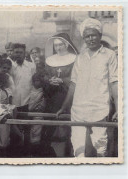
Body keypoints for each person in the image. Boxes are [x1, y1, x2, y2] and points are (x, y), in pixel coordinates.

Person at [56, 18, 118, 157]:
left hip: (99, 107)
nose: (90, 39)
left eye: (93, 35)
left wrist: (119, 108)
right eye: (87, 36)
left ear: (100, 36)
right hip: (78, 108)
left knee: (100, 145)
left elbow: (114, 82)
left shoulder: (110, 55)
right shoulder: (80, 57)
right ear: (84, 38)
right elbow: (73, 84)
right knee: (78, 145)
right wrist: (64, 106)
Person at [44, 33, 78, 157]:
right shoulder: (50, 60)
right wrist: (49, 80)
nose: (58, 48)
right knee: (51, 125)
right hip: (52, 97)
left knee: (67, 126)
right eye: (55, 45)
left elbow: (77, 78)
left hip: (68, 96)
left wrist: (62, 80)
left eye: (60, 45)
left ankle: (68, 153)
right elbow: (45, 75)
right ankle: (51, 154)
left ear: (67, 44)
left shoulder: (75, 58)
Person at [28, 73, 46, 155]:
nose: (36, 82)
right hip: (29, 113)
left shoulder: (43, 91)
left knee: (36, 133)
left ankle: (35, 153)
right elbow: (30, 104)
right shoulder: (30, 90)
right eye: (35, 81)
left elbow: (43, 105)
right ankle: (30, 152)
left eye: (38, 80)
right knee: (29, 134)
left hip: (38, 114)